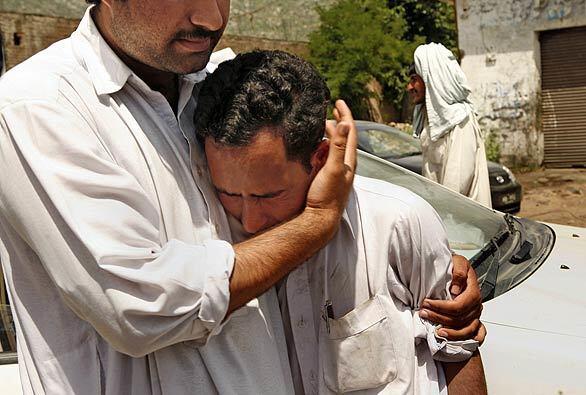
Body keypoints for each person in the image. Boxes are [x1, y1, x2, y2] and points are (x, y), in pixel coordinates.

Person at [0, 1, 481, 393]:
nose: (210, 17)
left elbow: (305, 181)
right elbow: (138, 306)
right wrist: (315, 224)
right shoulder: (39, 105)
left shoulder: (216, 78)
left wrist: (424, 254)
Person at [195, 50, 487, 395]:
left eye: (267, 196)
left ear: (319, 159)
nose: (250, 220)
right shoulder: (211, 241)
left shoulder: (398, 222)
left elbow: (457, 351)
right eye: (228, 193)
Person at [407, 43, 492, 208]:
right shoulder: (433, 119)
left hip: (464, 224)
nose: (409, 87)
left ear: (432, 79)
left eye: (414, 80)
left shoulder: (460, 121)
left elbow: (454, 191)